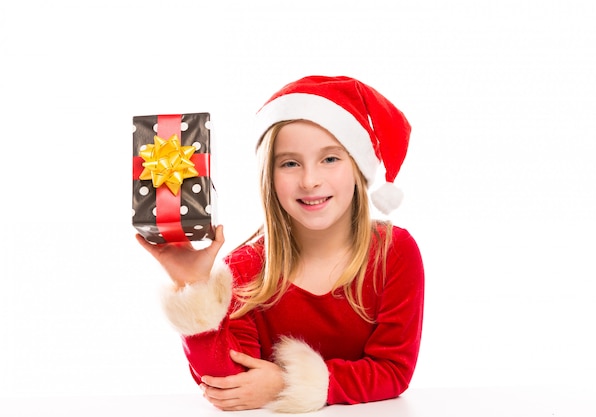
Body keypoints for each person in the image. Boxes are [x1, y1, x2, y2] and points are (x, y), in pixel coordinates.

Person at [136, 75, 425, 413]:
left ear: (359, 169)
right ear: (269, 177)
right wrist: (195, 286)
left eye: (330, 159)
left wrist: (288, 384)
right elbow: (228, 385)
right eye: (289, 163)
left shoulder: (394, 252)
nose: (309, 180)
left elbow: (393, 371)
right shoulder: (244, 269)